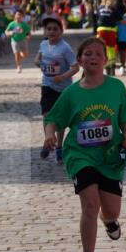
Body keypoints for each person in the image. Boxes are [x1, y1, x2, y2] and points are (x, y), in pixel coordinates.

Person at [43, 37, 126, 252]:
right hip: (80, 154)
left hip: (110, 156)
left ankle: (109, 220)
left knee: (111, 210)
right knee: (90, 204)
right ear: (80, 60)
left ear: (105, 59)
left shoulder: (116, 87)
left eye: (98, 54)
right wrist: (50, 135)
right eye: (87, 54)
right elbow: (52, 119)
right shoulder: (72, 93)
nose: (93, 58)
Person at [35, 16, 79, 161]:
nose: (52, 31)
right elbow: (38, 57)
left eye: (55, 29)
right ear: (45, 31)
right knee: (47, 114)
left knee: (60, 119)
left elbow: (75, 67)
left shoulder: (65, 48)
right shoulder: (43, 44)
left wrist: (63, 76)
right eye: (49, 29)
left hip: (63, 88)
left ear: (61, 31)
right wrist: (37, 62)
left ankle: (59, 145)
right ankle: (48, 141)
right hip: (47, 85)